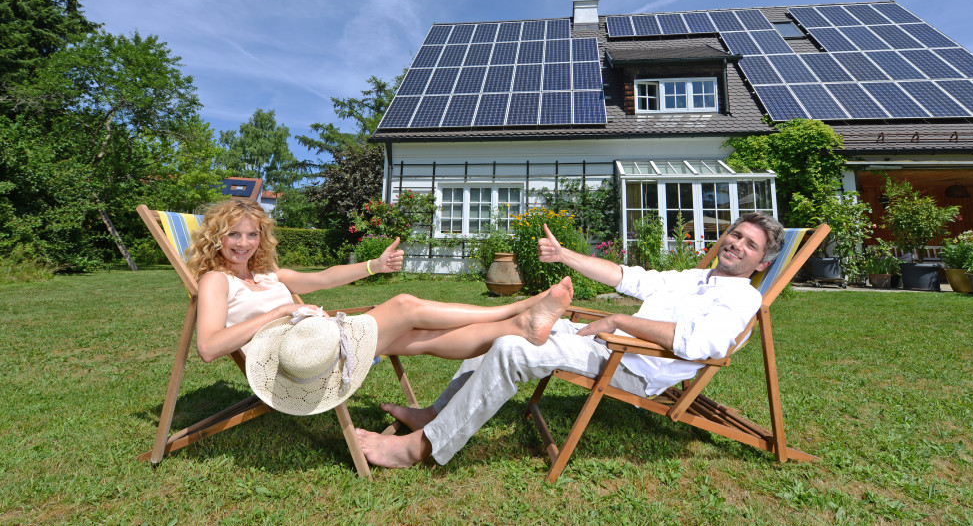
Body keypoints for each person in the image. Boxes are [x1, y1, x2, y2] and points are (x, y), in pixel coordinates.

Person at [355, 211, 786, 468]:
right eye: (735, 234)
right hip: (610, 346)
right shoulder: (694, 278)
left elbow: (698, 344)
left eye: (750, 244)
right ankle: (435, 414)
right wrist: (564, 256)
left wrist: (622, 322)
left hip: (632, 365)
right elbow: (627, 277)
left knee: (511, 347)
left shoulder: (741, 299)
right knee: (509, 326)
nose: (736, 244)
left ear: (761, 261)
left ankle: (420, 448)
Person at [187, 199, 573, 414]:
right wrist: (275, 314)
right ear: (216, 237)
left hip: (321, 341)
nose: (243, 243)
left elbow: (323, 278)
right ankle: (518, 308)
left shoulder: (268, 274)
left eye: (251, 234)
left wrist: (375, 265)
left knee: (418, 337)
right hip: (298, 366)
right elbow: (207, 347)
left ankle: (518, 328)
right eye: (233, 234)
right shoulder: (216, 280)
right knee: (404, 305)